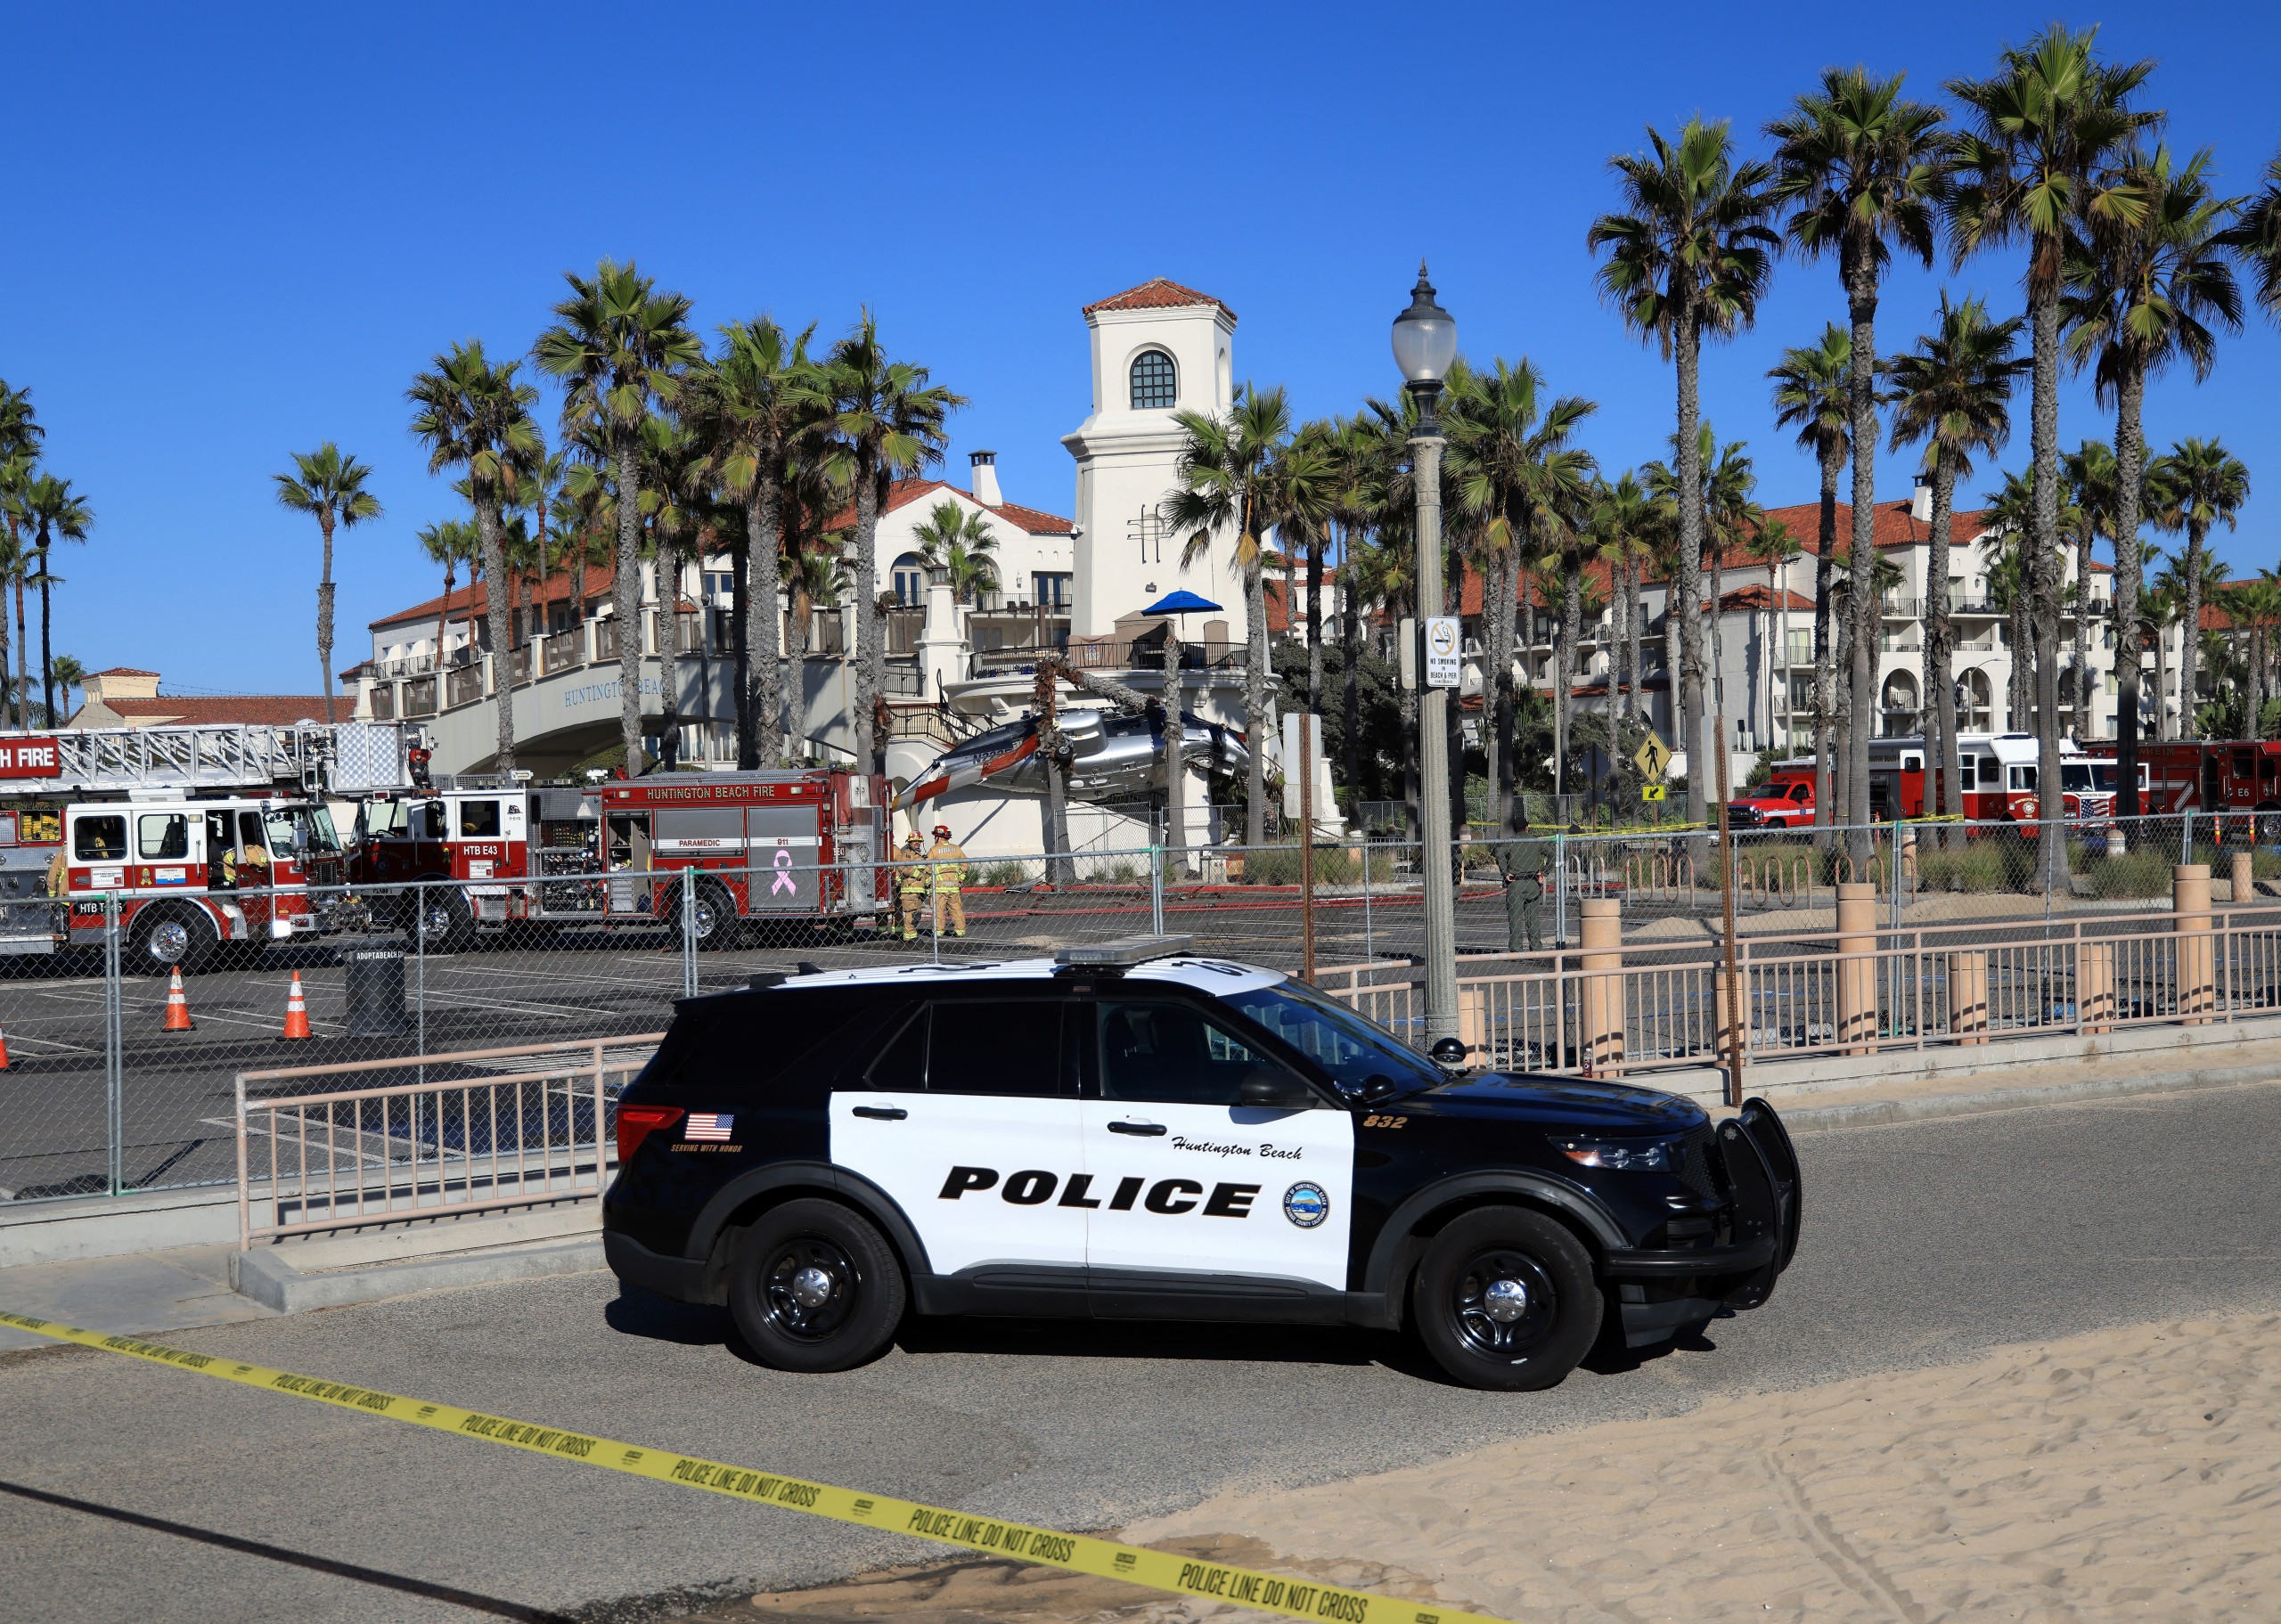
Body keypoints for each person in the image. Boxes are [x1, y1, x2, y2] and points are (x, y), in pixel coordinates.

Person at [1495, 815, 1551, 954]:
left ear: (1515, 829)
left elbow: (1499, 854)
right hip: (1532, 882)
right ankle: (1536, 949)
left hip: (1515, 883)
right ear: (1527, 828)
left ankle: (1516, 949)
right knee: (1533, 918)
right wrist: (1544, 872)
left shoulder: (1510, 842)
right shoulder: (1536, 841)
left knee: (1515, 918)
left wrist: (1505, 872)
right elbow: (1552, 854)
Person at [927, 822, 969, 938]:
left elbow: (927, 868)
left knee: (938, 910)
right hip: (954, 886)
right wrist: (960, 879)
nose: (935, 839)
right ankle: (960, 931)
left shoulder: (934, 850)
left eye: (935, 836)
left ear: (939, 837)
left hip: (939, 887)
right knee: (956, 909)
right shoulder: (957, 849)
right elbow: (965, 865)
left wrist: (928, 883)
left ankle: (938, 932)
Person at [895, 831, 930, 942]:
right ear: (909, 842)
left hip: (918, 890)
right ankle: (909, 936)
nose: (917, 843)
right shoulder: (907, 854)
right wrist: (917, 874)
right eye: (914, 841)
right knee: (911, 913)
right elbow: (903, 868)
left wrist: (927, 886)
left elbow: (926, 872)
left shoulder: (920, 856)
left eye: (918, 841)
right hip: (909, 890)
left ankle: (911, 935)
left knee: (916, 914)